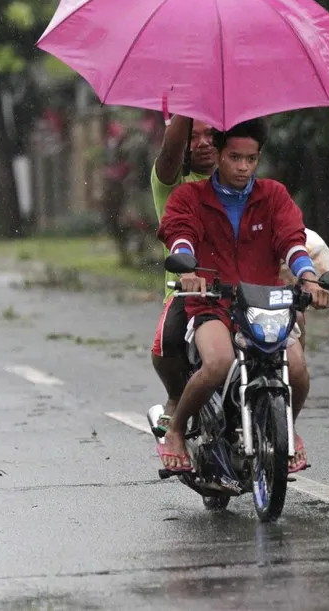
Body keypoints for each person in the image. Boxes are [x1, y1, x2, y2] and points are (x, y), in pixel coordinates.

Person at [156, 118, 329, 475]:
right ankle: (175, 431)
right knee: (218, 362)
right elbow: (180, 235)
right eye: (234, 157)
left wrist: (310, 280)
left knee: (297, 371)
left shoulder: (274, 196)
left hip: (265, 302)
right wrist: (188, 270)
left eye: (251, 159)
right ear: (219, 154)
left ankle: (288, 428)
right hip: (211, 301)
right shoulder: (190, 196)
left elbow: (292, 242)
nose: (242, 167)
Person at [149, 114, 218, 432]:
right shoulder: (173, 184)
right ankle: (176, 398)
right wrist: (189, 97)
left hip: (239, 285)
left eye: (212, 134)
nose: (204, 142)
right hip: (189, 290)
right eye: (195, 136)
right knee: (167, 341)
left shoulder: (239, 180)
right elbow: (170, 152)